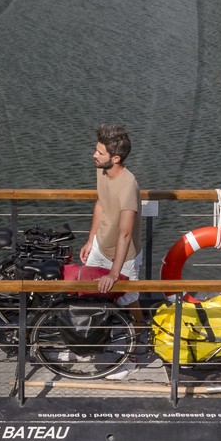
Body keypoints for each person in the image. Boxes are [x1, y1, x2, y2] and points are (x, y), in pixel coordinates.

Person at [80, 123, 141, 307]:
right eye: (96, 150)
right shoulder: (102, 169)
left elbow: (125, 233)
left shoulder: (128, 185)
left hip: (123, 257)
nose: (94, 155)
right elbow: (101, 202)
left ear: (115, 158)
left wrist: (114, 273)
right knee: (86, 293)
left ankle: (137, 336)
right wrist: (91, 240)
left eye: (100, 153)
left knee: (128, 302)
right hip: (100, 246)